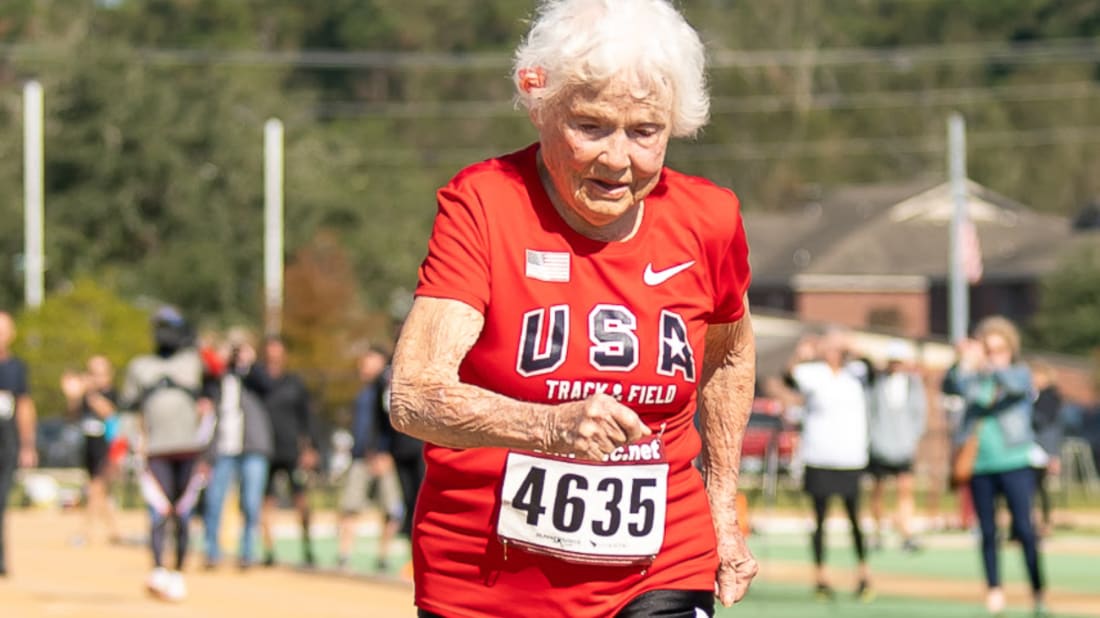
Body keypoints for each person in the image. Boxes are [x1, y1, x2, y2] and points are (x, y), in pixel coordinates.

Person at [388, 1, 758, 615]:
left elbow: (728, 352)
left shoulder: (708, 220)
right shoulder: (484, 205)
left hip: (662, 563)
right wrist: (549, 426)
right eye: (590, 126)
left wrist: (722, 507)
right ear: (542, 107)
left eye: (645, 132)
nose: (617, 160)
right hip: (488, 582)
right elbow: (414, 392)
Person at [942, 317, 1046, 616]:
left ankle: (1037, 591)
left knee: (1025, 529)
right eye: (988, 349)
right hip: (980, 464)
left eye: (997, 349)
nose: (992, 355)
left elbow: (1014, 386)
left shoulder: (1018, 373)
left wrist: (990, 366)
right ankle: (994, 589)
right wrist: (961, 360)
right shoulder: (974, 379)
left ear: (1010, 349)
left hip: (1014, 461)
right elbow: (950, 385)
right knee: (988, 531)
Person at [120, 306, 214, 602]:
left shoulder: (193, 362)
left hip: (189, 449)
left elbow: (218, 381)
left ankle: (178, 572)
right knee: (159, 511)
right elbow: (128, 409)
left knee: (183, 512)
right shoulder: (140, 366)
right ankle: (159, 568)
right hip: (156, 450)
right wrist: (129, 444)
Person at [785, 329, 874, 601]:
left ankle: (863, 573)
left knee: (854, 518)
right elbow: (788, 378)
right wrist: (800, 355)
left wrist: (853, 347)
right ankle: (821, 576)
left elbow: (873, 369)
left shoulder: (856, 372)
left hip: (850, 457)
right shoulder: (813, 373)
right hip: (819, 455)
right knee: (820, 519)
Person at [201, 331, 274, 570]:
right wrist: (219, 358)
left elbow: (267, 386)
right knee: (214, 501)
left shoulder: (253, 376)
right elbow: (204, 384)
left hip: (252, 447)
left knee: (251, 503)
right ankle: (212, 552)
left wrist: (248, 363)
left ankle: (247, 553)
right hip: (222, 447)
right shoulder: (218, 379)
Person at [336, 348, 404, 572]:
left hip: (384, 458)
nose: (362, 365)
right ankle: (344, 555)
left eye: (368, 360)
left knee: (391, 508)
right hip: (360, 457)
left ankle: (383, 555)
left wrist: (385, 452)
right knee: (350, 506)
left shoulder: (389, 389)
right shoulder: (362, 393)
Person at [256, 335, 319, 568]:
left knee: (300, 499)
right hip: (266, 450)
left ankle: (307, 546)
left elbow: (307, 418)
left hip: (291, 450)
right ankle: (268, 549)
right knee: (266, 502)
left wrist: (310, 447)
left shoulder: (294, 383)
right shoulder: (259, 383)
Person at [866, 340, 927, 552]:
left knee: (905, 491)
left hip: (903, 447)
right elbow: (870, 412)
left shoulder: (913, 383)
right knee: (878, 491)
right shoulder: (876, 382)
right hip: (880, 446)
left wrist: (912, 440)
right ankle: (877, 532)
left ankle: (906, 531)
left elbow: (919, 414)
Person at [61, 355, 122, 546]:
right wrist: (73, 397)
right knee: (101, 493)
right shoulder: (85, 397)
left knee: (95, 489)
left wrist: (92, 394)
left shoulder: (110, 393)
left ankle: (84, 532)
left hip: (107, 447)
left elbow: (111, 413)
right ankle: (115, 532)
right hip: (89, 447)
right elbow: (71, 416)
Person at [0, 311, 38, 577]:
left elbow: (24, 406)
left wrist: (27, 445)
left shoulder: (16, 368)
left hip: (6, 440)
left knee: (1, 501)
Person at [1029, 360, 1064, 538]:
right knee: (1031, 488)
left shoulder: (1049, 397)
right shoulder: (1032, 395)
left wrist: (1053, 454)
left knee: (1039, 487)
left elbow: (1047, 425)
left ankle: (1044, 522)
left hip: (1042, 448)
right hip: (1031, 446)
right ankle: (1031, 522)